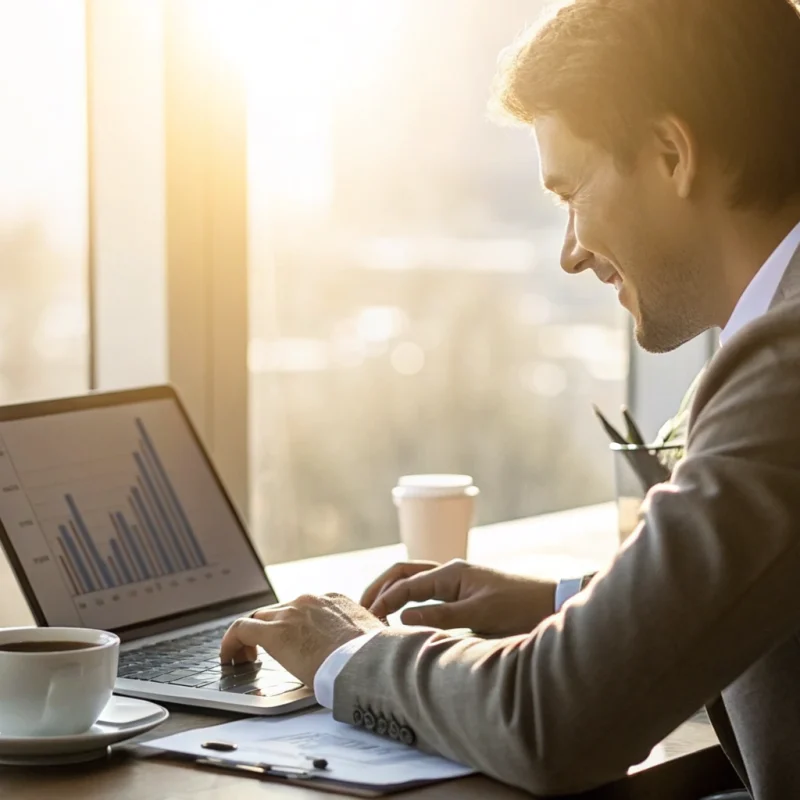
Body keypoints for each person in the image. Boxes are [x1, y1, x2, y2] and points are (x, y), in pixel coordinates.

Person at [220, 0, 800, 796]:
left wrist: (347, 652)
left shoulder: (788, 364)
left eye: (571, 193)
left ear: (672, 152)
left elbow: (556, 720)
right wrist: (561, 604)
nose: (569, 253)